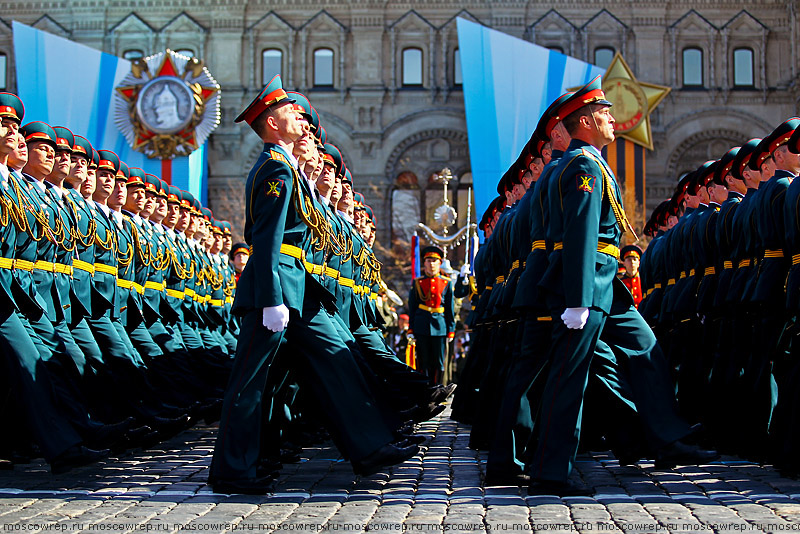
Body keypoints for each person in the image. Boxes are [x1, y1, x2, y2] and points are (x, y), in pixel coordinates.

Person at [210, 75, 417, 495]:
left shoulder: (287, 168)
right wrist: (271, 299)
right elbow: (266, 238)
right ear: (271, 123)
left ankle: (371, 446)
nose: (304, 123)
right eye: (294, 114)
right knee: (250, 383)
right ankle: (232, 471)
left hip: (299, 289)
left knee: (337, 360)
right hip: (277, 289)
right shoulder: (274, 169)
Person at [407, 245, 455, 384]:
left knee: (439, 363)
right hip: (421, 326)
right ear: (424, 263)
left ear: (440, 263)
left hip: (440, 327)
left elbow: (449, 309)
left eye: (435, 260)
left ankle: (437, 390)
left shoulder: (446, 283)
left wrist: (451, 330)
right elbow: (412, 308)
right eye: (428, 260)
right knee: (423, 362)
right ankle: (424, 392)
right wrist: (411, 328)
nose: (431, 264)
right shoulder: (417, 283)